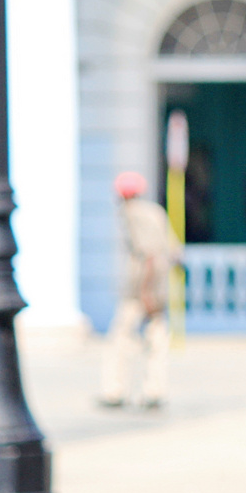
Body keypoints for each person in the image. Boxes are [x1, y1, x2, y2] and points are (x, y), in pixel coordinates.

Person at [100, 171, 182, 409]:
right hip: (160, 286)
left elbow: (147, 255)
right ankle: (155, 391)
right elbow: (174, 252)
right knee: (157, 340)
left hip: (141, 289)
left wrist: (146, 292)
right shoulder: (156, 211)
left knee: (121, 338)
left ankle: (114, 391)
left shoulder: (131, 213)